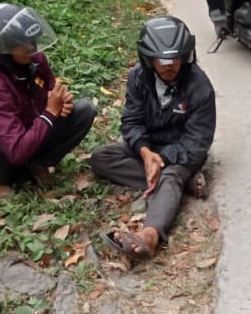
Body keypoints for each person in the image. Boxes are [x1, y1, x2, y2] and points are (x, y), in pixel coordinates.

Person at [91, 17, 216, 261]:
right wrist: (146, 153)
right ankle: (182, 185)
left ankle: (150, 236)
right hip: (148, 148)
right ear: (148, 59)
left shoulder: (200, 86)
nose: (169, 66)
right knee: (101, 158)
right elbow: (132, 121)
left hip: (181, 153)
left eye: (175, 59)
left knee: (170, 174)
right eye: (162, 61)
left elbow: (198, 141)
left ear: (186, 56)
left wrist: (163, 159)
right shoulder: (138, 77)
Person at [0, 2, 96, 195]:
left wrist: (62, 102)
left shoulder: (35, 59)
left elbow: (51, 91)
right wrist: (50, 113)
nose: (30, 47)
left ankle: (36, 163)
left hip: (29, 131)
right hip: (1, 150)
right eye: (21, 43)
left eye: (30, 40)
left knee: (84, 110)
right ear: (0, 49)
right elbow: (15, 151)